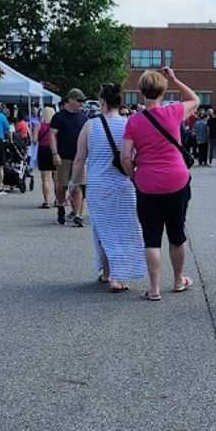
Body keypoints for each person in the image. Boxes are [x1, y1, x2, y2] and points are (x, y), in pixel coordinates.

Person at [120, 66, 199, 300]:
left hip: (147, 184)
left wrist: (133, 175)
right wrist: (175, 78)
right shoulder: (174, 112)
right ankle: (177, 280)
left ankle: (154, 289)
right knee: (176, 233)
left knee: (151, 237)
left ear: (141, 92)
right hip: (176, 180)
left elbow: (125, 156)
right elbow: (194, 99)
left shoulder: (133, 121)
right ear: (163, 92)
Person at [69, 84, 146, 291]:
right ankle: (119, 276)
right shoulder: (130, 124)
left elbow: (79, 159)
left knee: (102, 230)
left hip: (97, 185)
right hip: (123, 184)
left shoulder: (90, 125)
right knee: (124, 230)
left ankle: (108, 272)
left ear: (102, 102)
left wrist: (74, 184)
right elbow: (135, 155)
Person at [50, 89, 87, 225]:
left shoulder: (83, 117)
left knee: (77, 186)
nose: (81, 104)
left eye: (82, 101)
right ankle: (60, 206)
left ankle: (77, 215)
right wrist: (55, 153)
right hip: (63, 156)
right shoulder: (59, 116)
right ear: (70, 100)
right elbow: (52, 135)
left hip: (79, 158)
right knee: (62, 186)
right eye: (79, 101)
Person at [36, 106, 55, 208]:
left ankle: (46, 201)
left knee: (45, 179)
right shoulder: (56, 126)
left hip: (43, 150)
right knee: (57, 179)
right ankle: (58, 200)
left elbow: (34, 140)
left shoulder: (39, 125)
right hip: (55, 150)